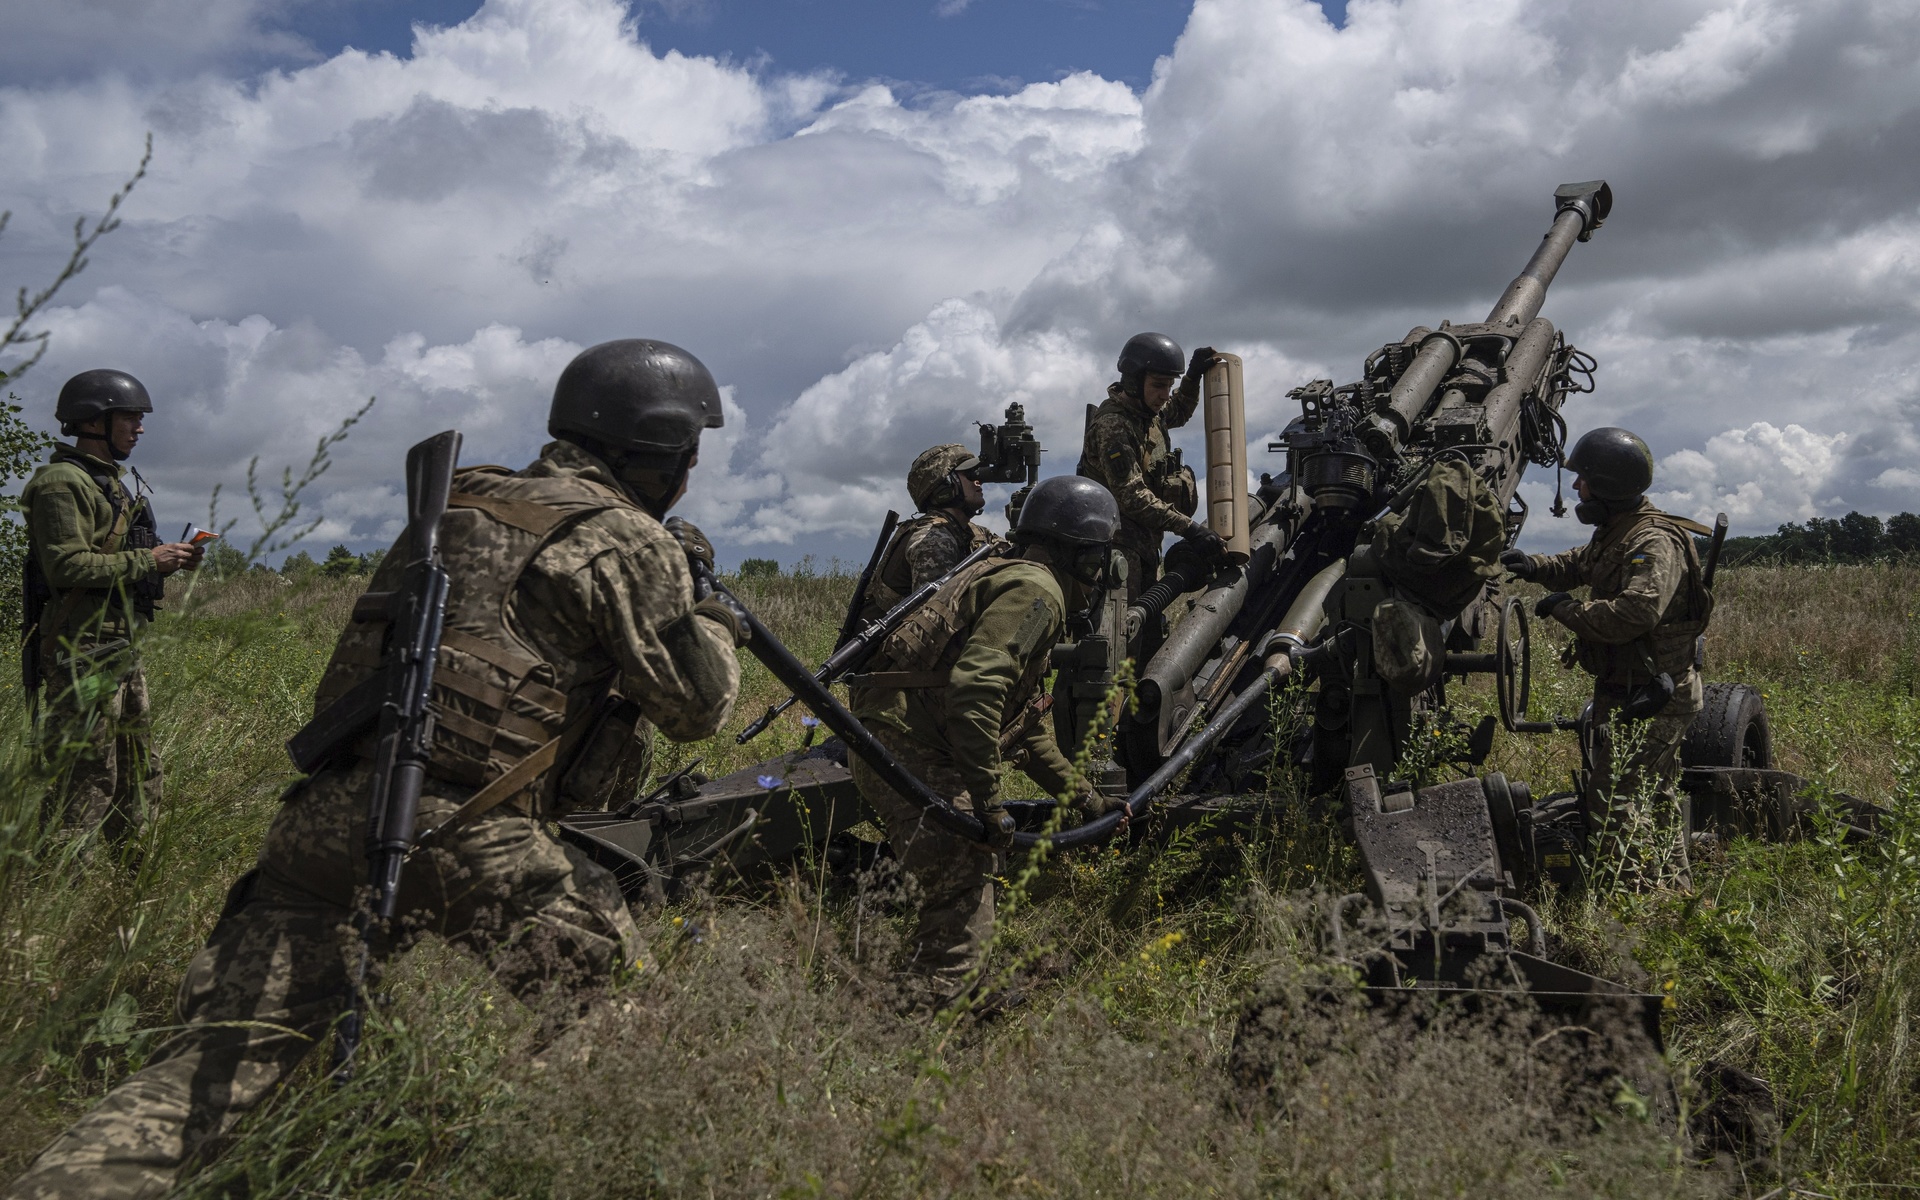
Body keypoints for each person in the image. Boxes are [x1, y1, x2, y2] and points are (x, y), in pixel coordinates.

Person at [6, 340, 748, 1200]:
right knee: (629, 1037)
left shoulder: (455, 504)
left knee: (207, 1078)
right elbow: (698, 711)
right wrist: (709, 610)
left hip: (320, 824)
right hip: (475, 834)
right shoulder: (625, 538)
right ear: (663, 454)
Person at [846, 475, 1120, 1009]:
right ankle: (929, 1016)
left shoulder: (1007, 574)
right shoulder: (1036, 593)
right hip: (912, 742)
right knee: (963, 868)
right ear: (1084, 558)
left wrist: (1087, 799)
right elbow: (977, 690)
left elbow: (1022, 726)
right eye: (1097, 562)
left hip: (890, 732)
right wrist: (988, 803)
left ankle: (963, 992)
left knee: (963, 876)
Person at [1501, 427, 1713, 888]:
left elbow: (1635, 613)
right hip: (1632, 688)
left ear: (1610, 486)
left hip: (1656, 695)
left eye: (1584, 479)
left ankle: (1629, 896)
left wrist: (1566, 610)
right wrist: (1536, 566)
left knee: (1612, 795)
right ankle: (1673, 891)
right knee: (1655, 795)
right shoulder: (1619, 531)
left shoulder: (1653, 541)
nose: (1577, 487)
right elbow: (1583, 562)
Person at [21, 369, 204, 845]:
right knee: (85, 772)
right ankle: (61, 889)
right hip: (83, 651)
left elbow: (111, 557)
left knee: (138, 768)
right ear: (94, 420)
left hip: (117, 645)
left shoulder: (111, 484)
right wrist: (149, 558)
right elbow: (65, 566)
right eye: (130, 418)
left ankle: (131, 874)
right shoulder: (63, 483)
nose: (139, 429)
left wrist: (169, 559)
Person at [1076, 333, 1224, 604]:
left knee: (1149, 635)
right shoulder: (1114, 426)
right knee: (1125, 635)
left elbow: (1178, 410)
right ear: (1133, 380)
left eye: (1169, 386)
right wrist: (1189, 528)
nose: (1164, 395)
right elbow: (1131, 496)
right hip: (1115, 548)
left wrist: (1192, 376)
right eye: (1158, 386)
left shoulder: (1148, 415)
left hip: (1143, 546)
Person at [856, 443, 996, 622]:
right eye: (969, 474)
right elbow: (933, 621)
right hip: (899, 646)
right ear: (945, 486)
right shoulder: (933, 540)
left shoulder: (970, 533)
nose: (978, 480)